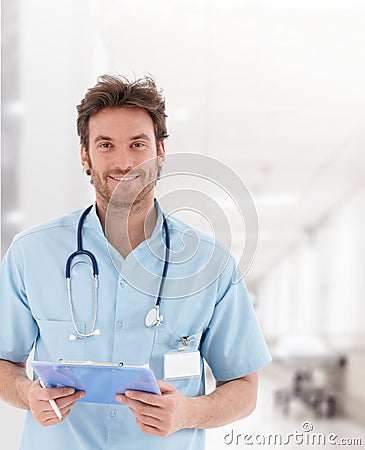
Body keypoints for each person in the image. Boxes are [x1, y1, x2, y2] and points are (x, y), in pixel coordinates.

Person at [0, 74, 271, 450]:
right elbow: (3, 363)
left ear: (160, 153)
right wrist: (26, 393)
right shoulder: (31, 253)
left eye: (138, 144)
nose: (124, 161)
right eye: (106, 144)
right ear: (85, 155)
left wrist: (187, 413)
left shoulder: (213, 264)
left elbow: (244, 387)